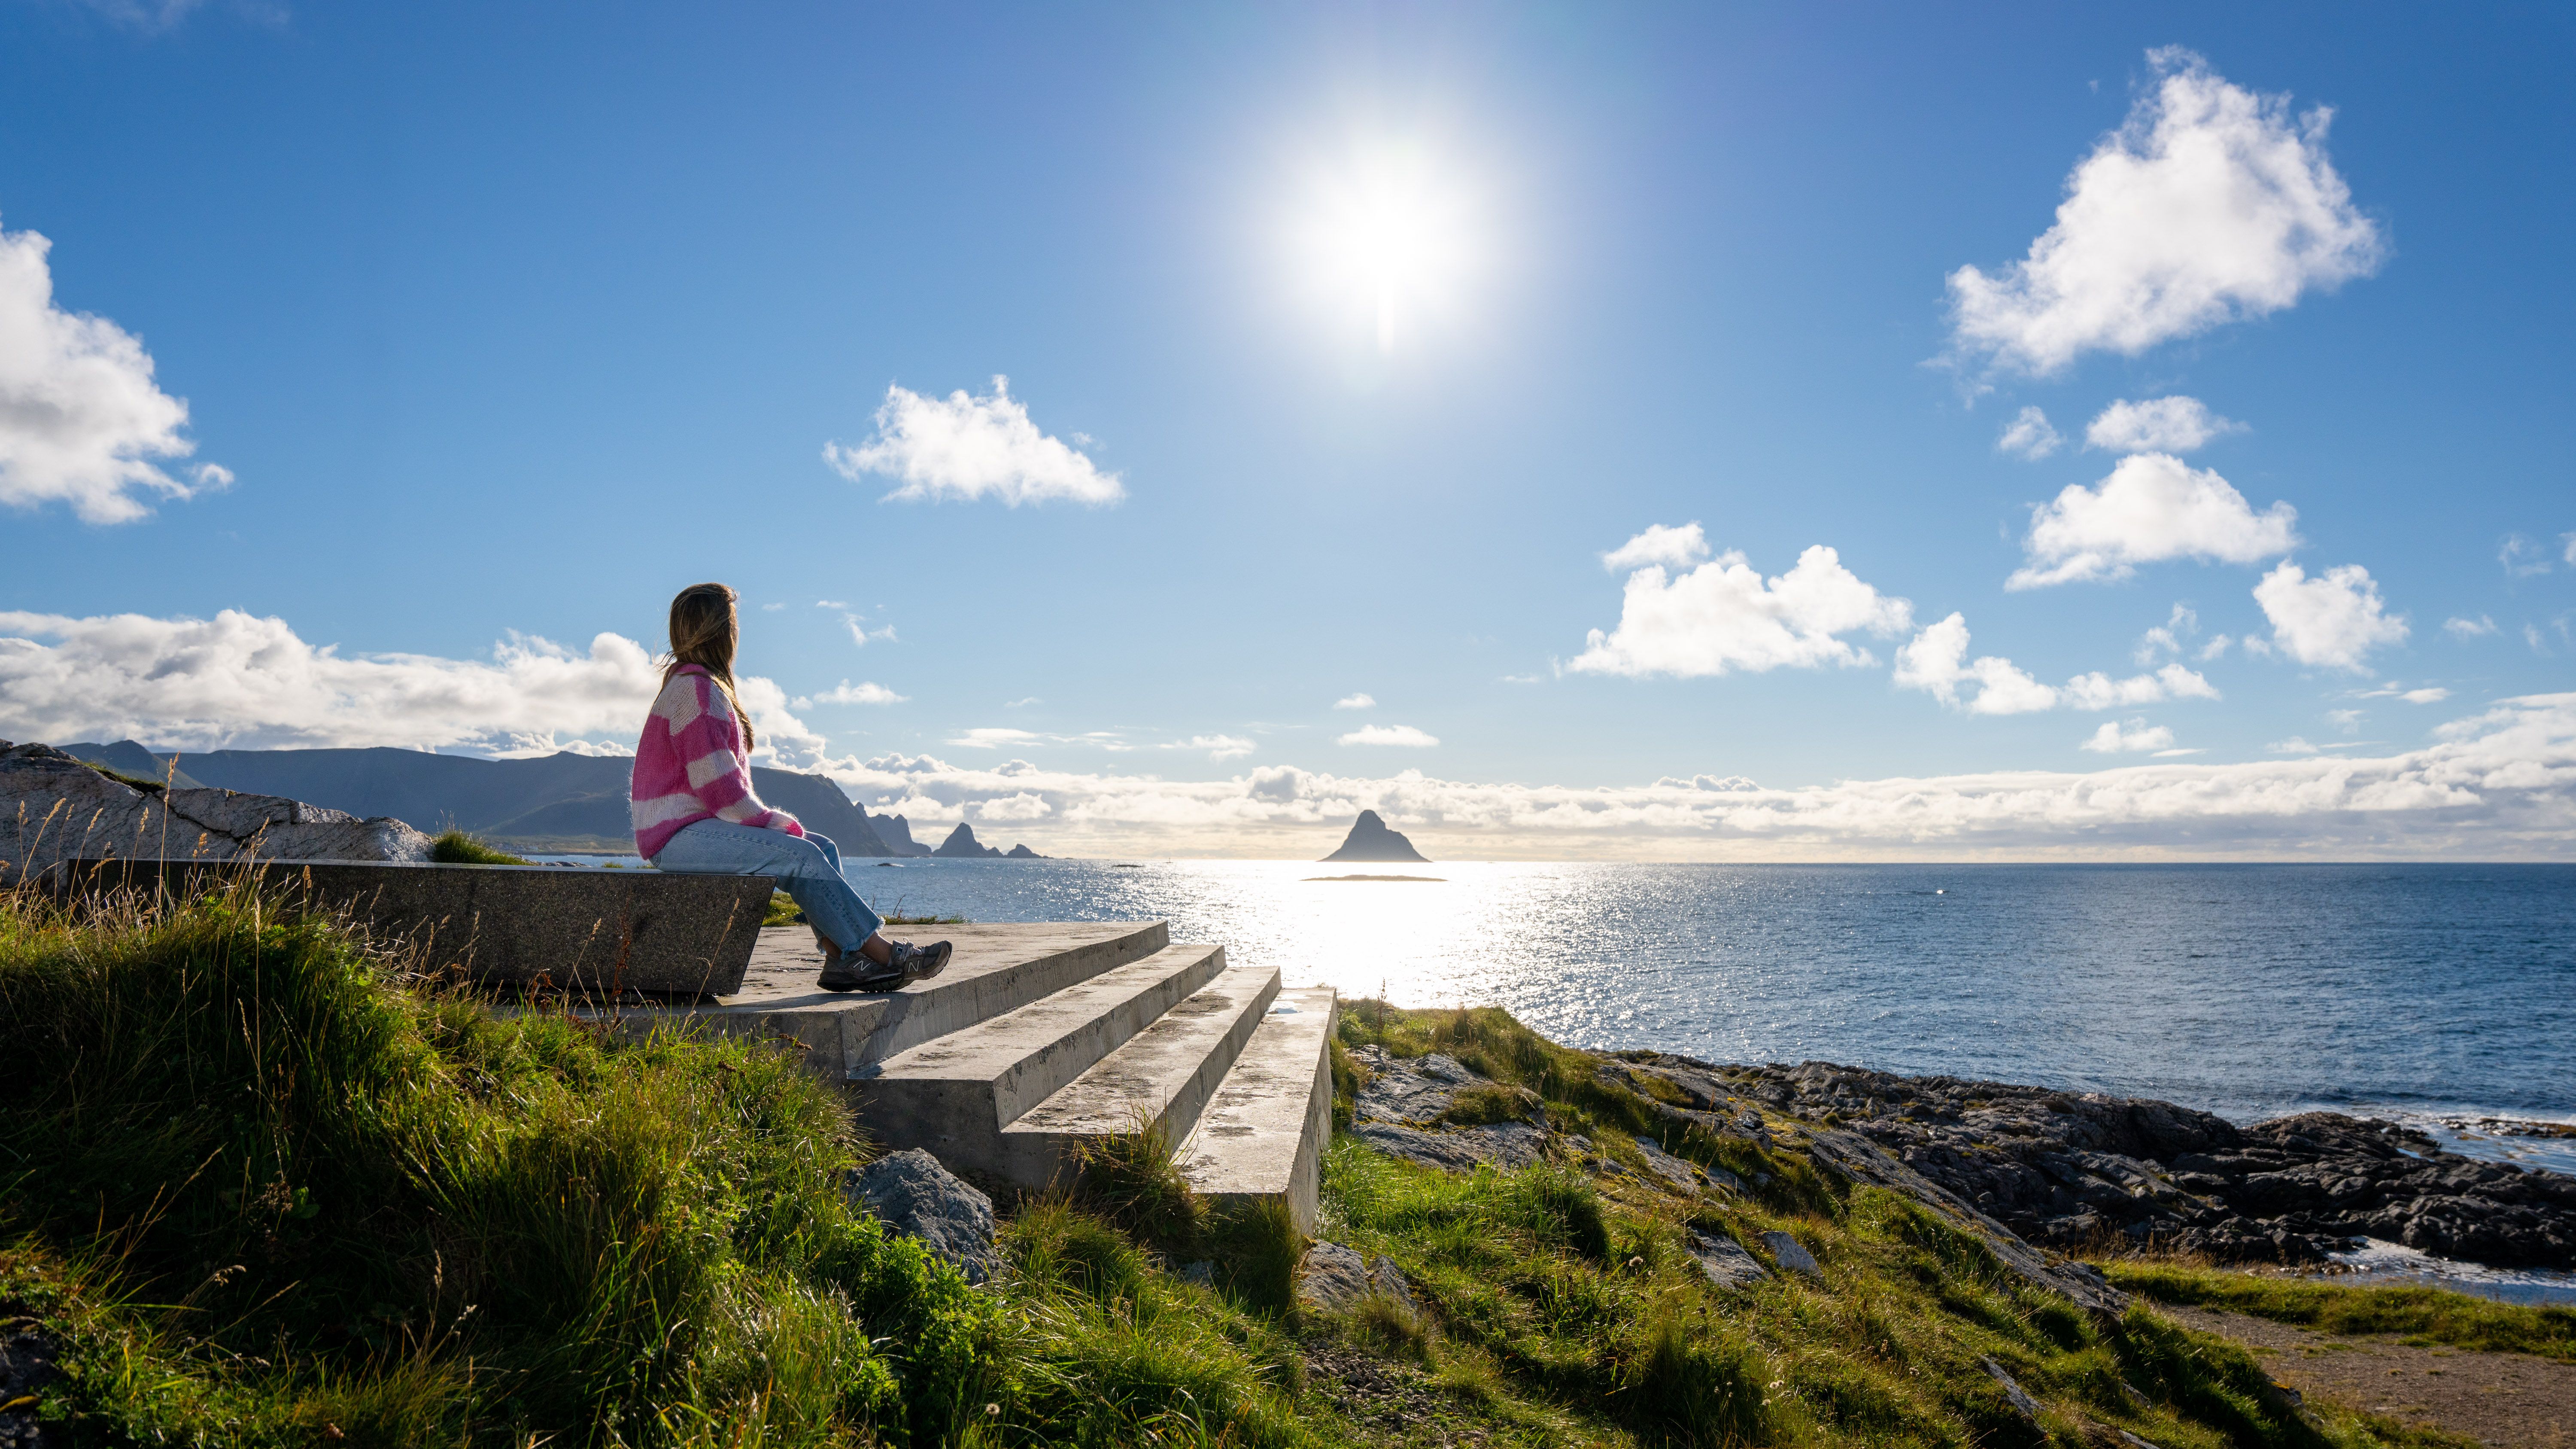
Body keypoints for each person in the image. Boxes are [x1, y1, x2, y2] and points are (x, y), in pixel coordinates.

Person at [631, 581, 950, 992]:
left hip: (692, 830)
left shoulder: (696, 686)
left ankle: (842, 963)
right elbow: (720, 789)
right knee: (799, 855)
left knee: (824, 848)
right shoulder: (696, 689)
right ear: (722, 632)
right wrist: (772, 823)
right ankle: (887, 956)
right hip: (677, 837)